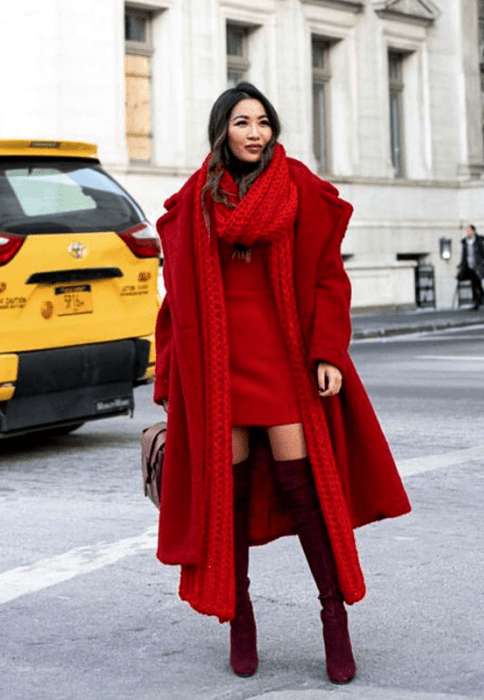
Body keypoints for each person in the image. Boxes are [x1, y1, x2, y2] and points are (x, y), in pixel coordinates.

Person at [152, 83, 411, 684]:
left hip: (285, 361)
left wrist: (328, 352)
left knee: (306, 495)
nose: (255, 132)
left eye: (263, 122)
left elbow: (327, 277)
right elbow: (176, 300)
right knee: (232, 504)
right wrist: (172, 378)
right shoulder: (197, 199)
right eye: (242, 122)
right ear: (222, 130)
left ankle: (333, 617)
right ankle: (241, 619)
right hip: (220, 368)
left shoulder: (295, 187)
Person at [458, 224, 484, 309]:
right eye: (467, 231)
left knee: (478, 284)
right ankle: (478, 302)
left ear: (474, 231)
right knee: (473, 285)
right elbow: (463, 256)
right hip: (469, 267)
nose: (468, 232)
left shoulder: (478, 241)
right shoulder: (465, 242)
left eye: (470, 231)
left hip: (478, 266)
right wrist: (460, 266)